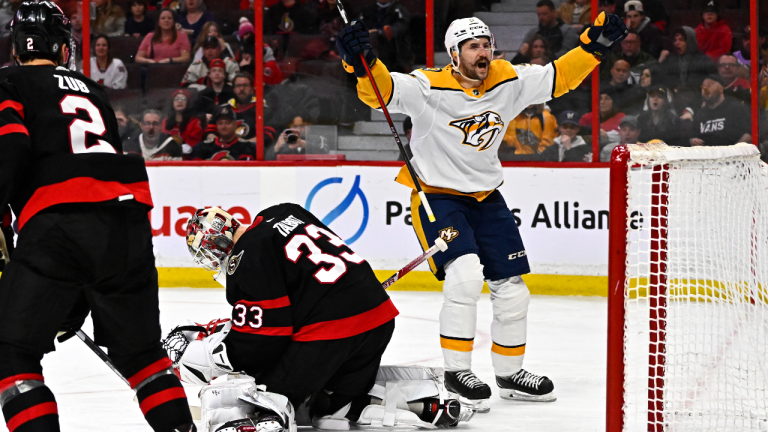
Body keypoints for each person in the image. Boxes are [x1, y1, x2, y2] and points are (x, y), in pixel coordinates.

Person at [337, 12, 627, 409]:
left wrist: (593, 48)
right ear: (454, 54)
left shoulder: (507, 79)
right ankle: (458, 373)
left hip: (487, 197)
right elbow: (382, 91)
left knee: (513, 291)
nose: (483, 52)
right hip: (437, 196)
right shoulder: (429, 86)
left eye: (486, 44)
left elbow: (558, 78)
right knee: (465, 276)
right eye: (473, 46)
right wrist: (362, 64)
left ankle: (510, 374)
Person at [0, 3, 194, 432]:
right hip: (126, 220)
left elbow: (10, 147)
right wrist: (76, 296)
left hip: (59, 223)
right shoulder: (93, 90)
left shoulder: (8, 81)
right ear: (59, 45)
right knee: (143, 355)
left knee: (11, 352)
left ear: (18, 46)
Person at [168, 206, 470, 430]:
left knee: (263, 396)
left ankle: (262, 423)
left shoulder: (243, 257)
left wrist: (227, 359)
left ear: (217, 245)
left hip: (333, 332)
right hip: (378, 319)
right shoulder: (285, 212)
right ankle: (425, 404)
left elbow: (263, 340)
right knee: (330, 408)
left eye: (206, 254)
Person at [660, 27, 716, 115]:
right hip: (674, 99)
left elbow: (714, 78)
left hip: (697, 100)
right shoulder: (671, 58)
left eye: (681, 40)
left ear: (690, 41)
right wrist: (660, 61)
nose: (677, 43)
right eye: (675, 40)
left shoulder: (702, 59)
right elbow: (660, 77)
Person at [690, 75, 751, 147]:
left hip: (733, 155)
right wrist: (693, 141)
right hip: (708, 155)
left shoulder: (736, 107)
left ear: (721, 88)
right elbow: (693, 137)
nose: (705, 88)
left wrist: (734, 151)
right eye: (703, 86)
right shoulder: (700, 114)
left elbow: (749, 134)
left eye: (710, 85)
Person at [360, 0, 413, 73]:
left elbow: (399, 28)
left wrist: (380, 32)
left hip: (394, 57)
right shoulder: (367, 10)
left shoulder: (399, 10)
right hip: (370, 54)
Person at [191, 104, 255, 160]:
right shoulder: (203, 147)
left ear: (235, 125)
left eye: (227, 123)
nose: (223, 126)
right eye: (220, 123)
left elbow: (245, 172)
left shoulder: (246, 147)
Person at [228, 72, 276, 144]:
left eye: (245, 85)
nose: (242, 89)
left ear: (252, 89)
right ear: (233, 89)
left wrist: (246, 144)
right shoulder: (225, 110)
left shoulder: (262, 109)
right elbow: (211, 132)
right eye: (238, 86)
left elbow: (269, 134)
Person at [579, 87, 625, 151]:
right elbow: (577, 132)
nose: (602, 102)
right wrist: (595, 130)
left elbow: (621, 137)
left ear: (614, 102)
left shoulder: (621, 117)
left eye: (607, 99)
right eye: (600, 98)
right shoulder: (587, 117)